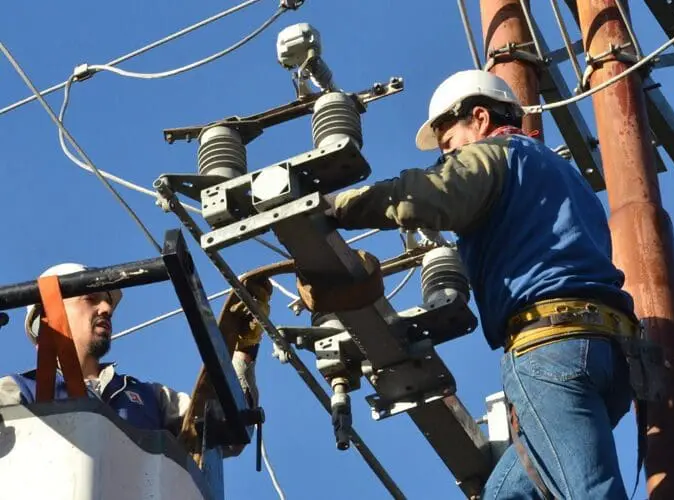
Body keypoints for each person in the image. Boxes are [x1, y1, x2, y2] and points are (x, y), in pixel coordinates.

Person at [326, 70, 637, 499]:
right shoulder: (560, 175)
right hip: (611, 357)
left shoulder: (496, 156)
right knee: (509, 494)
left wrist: (335, 207)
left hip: (552, 347)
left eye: (449, 145)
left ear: (480, 118)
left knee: (591, 493)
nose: (447, 156)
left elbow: (430, 194)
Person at [0, 262, 263, 457]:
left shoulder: (153, 399)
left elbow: (228, 433)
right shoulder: (19, 391)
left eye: (108, 302)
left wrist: (244, 350)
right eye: (91, 298)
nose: (106, 308)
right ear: (47, 317)